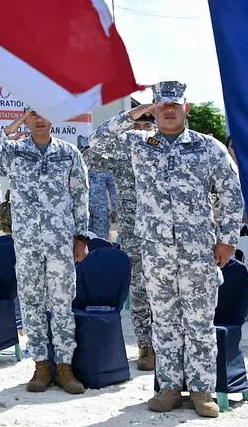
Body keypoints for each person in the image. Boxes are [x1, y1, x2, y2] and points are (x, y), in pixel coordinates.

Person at [90, 82, 244, 418]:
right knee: (165, 322)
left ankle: (203, 390)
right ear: (153, 110)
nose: (168, 110)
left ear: (186, 108)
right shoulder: (138, 144)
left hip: (198, 252)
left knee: (200, 322)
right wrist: (133, 112)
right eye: (161, 106)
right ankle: (170, 387)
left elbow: (232, 190)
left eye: (174, 105)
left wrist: (228, 239)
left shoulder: (207, 147)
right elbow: (97, 141)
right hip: (155, 253)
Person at [0, 109, 90, 395]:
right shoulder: (13, 152)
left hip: (61, 241)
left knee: (62, 303)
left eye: (45, 114)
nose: (40, 120)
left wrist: (82, 236)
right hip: (27, 243)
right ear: (26, 117)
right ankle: (41, 365)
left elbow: (80, 195)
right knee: (32, 303)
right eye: (33, 114)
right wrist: (8, 130)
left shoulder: (69, 153)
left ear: (54, 118)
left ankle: (64, 366)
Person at [88, 110, 157, 370]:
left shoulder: (165, 151)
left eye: (145, 125)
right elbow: (94, 147)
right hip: (134, 233)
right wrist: (125, 121)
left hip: (165, 234)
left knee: (167, 290)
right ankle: (145, 345)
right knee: (139, 290)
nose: (140, 130)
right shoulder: (121, 154)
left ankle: (169, 345)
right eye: (135, 125)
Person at [82, 150, 118, 240]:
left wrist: (115, 209)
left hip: (101, 210)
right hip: (84, 208)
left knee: (101, 238)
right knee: (84, 238)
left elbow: (113, 191)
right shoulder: (82, 165)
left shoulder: (106, 169)